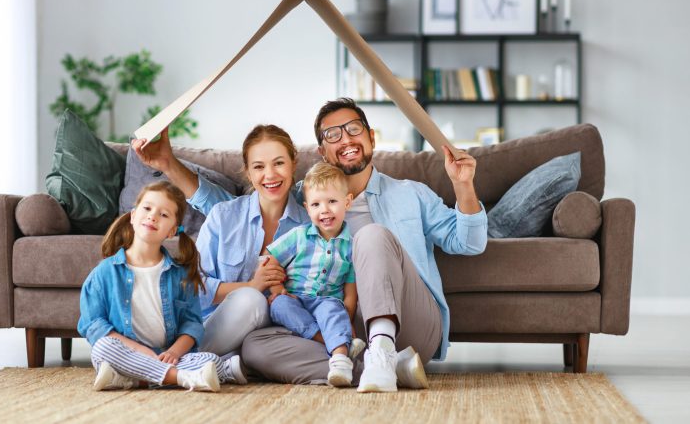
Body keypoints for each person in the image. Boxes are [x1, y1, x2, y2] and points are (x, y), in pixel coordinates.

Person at [132, 98, 487, 392]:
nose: (345, 139)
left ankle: (385, 350)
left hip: (409, 324)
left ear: (371, 137)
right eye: (333, 135)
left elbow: (468, 244)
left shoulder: (411, 194)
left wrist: (464, 186)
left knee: (371, 236)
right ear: (321, 151)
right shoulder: (307, 200)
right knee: (256, 347)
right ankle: (381, 369)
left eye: (353, 129)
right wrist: (167, 163)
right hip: (336, 329)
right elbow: (235, 209)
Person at [134, 124, 310, 357]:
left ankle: (211, 364)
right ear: (248, 172)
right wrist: (251, 286)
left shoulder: (309, 227)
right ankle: (182, 360)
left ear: (293, 163)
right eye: (259, 166)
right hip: (217, 326)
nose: (270, 175)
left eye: (279, 163)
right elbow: (194, 287)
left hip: (271, 335)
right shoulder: (224, 216)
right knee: (251, 300)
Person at [78, 181, 246, 392]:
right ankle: (184, 378)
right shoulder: (105, 272)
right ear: (133, 215)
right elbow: (92, 324)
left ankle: (133, 379)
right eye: (147, 208)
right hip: (124, 353)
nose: (153, 216)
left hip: (165, 355)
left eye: (164, 215)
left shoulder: (180, 275)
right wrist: (139, 350)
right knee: (102, 349)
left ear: (172, 231)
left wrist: (175, 352)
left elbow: (192, 325)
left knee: (208, 358)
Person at [265, 162, 366, 387]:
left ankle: (340, 360)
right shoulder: (299, 236)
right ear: (307, 208)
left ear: (347, 202)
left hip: (327, 302)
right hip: (296, 299)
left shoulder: (351, 246)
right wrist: (277, 290)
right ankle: (334, 342)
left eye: (332, 201)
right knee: (279, 305)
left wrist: (346, 314)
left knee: (333, 310)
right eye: (316, 204)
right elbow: (270, 259)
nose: (325, 210)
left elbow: (351, 288)